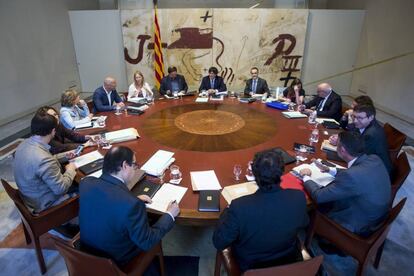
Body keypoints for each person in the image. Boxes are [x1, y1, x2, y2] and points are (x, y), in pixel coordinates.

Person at [79, 146, 180, 267]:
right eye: (134, 165)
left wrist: (133, 199)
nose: (135, 169)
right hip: (114, 263)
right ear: (125, 166)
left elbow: (107, 200)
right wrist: (170, 215)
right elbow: (147, 242)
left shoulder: (86, 182)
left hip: (84, 253)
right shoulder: (131, 205)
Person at [213, 149, 309, 272]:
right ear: (282, 171)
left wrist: (227, 211)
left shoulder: (239, 207)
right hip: (289, 261)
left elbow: (219, 242)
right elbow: (304, 223)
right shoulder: (298, 197)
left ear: (254, 173)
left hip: (252, 268)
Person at [300, 131, 391, 237]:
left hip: (358, 226)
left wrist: (306, 177)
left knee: (310, 208)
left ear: (342, 150)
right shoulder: (374, 159)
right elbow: (357, 172)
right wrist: (329, 170)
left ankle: (324, 239)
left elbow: (319, 196)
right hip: (377, 216)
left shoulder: (351, 176)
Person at [13, 112, 78, 214]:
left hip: (30, 196)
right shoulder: (43, 159)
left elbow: (45, 159)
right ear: (53, 131)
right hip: (45, 204)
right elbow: (61, 189)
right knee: (86, 187)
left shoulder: (24, 144)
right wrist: (70, 170)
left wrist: (65, 155)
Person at [329, 104, 392, 174]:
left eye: (360, 118)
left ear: (371, 117)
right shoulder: (362, 125)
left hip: (378, 172)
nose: (355, 121)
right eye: (354, 116)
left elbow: (356, 155)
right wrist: (340, 139)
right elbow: (352, 136)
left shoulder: (371, 134)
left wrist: (339, 142)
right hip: (368, 163)